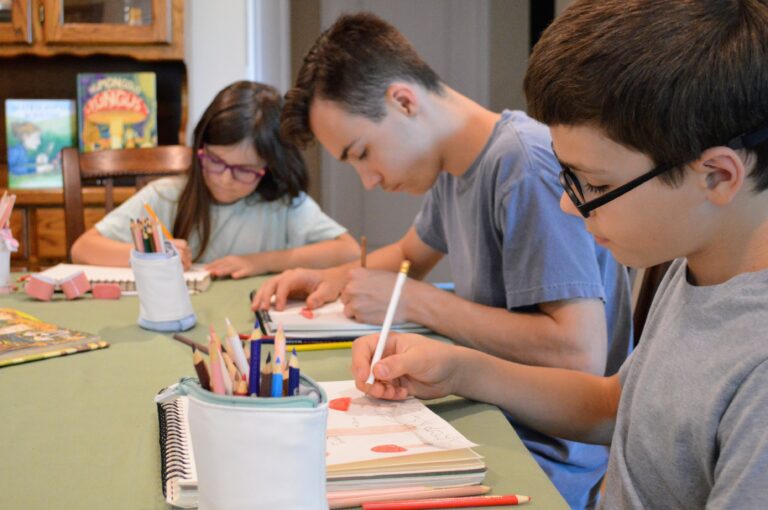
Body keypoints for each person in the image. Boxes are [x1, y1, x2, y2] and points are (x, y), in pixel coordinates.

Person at [351, 1, 768, 508]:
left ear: (718, 176)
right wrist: (457, 369)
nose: (569, 205)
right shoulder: (697, 265)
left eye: (594, 183)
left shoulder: (756, 371)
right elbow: (617, 408)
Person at [252, 13, 632, 509]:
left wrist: (418, 301)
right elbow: (408, 256)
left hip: (541, 451)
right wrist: (325, 277)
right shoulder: (456, 169)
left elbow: (577, 353)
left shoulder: (524, 165)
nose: (368, 179)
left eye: (362, 152)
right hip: (489, 414)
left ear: (404, 101)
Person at [71, 81, 359, 278]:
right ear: (201, 147)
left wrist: (262, 262)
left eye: (244, 170)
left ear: (269, 167)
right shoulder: (166, 195)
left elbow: (348, 250)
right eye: (215, 161)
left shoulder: (282, 204)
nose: (224, 178)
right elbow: (82, 249)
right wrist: (152, 253)